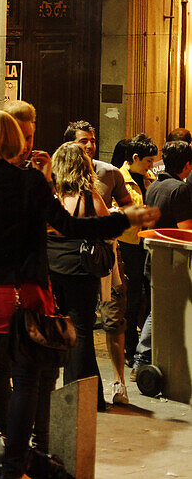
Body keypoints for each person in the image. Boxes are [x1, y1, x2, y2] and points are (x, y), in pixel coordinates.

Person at [0, 110, 156, 479]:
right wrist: (125, 218)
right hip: (26, 290)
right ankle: (14, 467)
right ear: (15, 139)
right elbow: (70, 226)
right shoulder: (32, 182)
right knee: (27, 380)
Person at [64, 120, 135, 402]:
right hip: (71, 262)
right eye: (84, 141)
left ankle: (119, 382)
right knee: (75, 323)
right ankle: (73, 387)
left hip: (105, 258)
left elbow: (129, 208)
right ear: (70, 144)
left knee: (113, 319)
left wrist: (117, 212)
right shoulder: (59, 173)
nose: (90, 146)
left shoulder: (109, 172)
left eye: (92, 140)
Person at [46, 143, 111, 411]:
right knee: (82, 332)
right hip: (81, 270)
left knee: (60, 331)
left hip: (52, 268)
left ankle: (88, 396)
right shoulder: (89, 197)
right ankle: (77, 398)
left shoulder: (52, 197)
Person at [135, 140, 192, 374]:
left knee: (156, 308)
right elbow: (186, 231)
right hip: (173, 260)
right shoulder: (180, 189)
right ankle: (143, 356)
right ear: (187, 165)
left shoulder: (154, 187)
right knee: (160, 310)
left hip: (153, 257)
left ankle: (145, 358)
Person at [117, 133, 157, 366]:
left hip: (145, 244)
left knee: (145, 296)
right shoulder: (119, 178)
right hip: (128, 244)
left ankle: (142, 349)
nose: (151, 165)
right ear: (135, 157)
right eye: (148, 161)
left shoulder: (150, 178)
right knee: (130, 299)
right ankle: (129, 349)